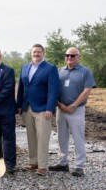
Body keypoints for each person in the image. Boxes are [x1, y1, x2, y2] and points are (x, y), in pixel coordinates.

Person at [49, 47, 95, 177]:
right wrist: (59, 104)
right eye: (67, 55)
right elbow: (54, 89)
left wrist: (74, 105)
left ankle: (79, 166)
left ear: (78, 57)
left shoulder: (85, 72)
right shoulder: (59, 71)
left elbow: (87, 91)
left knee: (78, 138)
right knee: (61, 137)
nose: (69, 57)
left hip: (77, 110)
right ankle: (63, 163)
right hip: (61, 109)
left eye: (73, 56)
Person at [16, 44, 59, 176]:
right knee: (31, 136)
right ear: (31, 53)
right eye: (34, 52)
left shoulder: (50, 68)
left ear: (43, 53)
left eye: (38, 52)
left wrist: (50, 108)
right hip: (27, 107)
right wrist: (19, 105)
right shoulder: (25, 67)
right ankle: (33, 162)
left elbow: (53, 90)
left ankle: (42, 166)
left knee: (42, 137)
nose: (36, 54)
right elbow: (21, 88)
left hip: (42, 108)